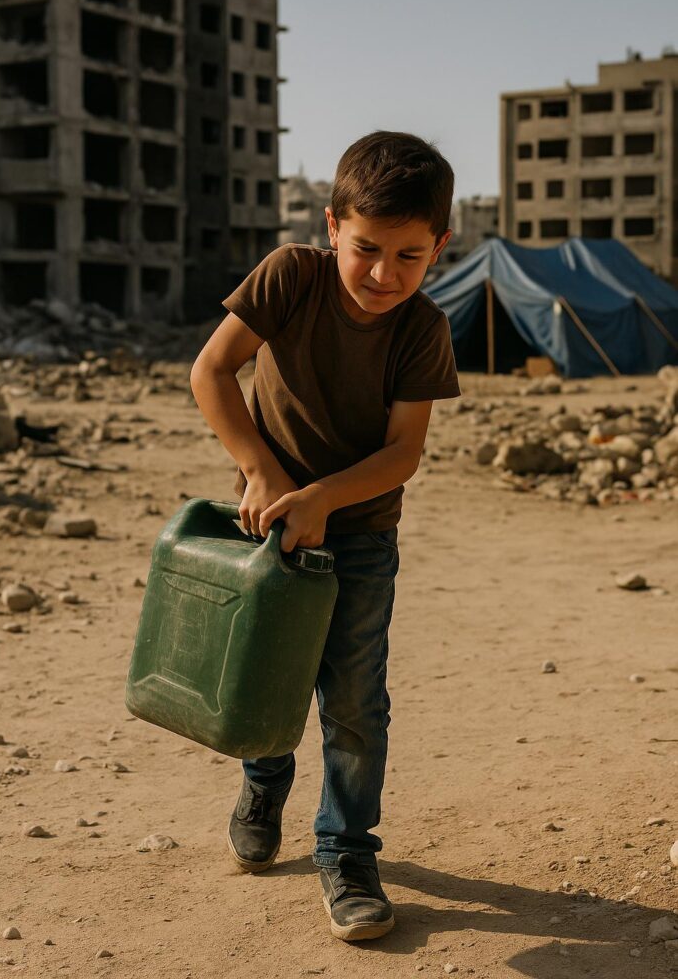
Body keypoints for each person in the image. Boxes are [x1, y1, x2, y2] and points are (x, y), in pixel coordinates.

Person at [189, 130, 461, 942]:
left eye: (408, 256)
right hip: (266, 526)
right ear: (331, 224)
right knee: (264, 682)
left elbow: (402, 453)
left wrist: (325, 499)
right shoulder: (289, 277)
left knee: (352, 705)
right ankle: (265, 779)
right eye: (366, 248)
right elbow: (211, 372)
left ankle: (345, 852)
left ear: (439, 247)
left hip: (362, 538)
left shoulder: (422, 329)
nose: (383, 274)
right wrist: (265, 475)